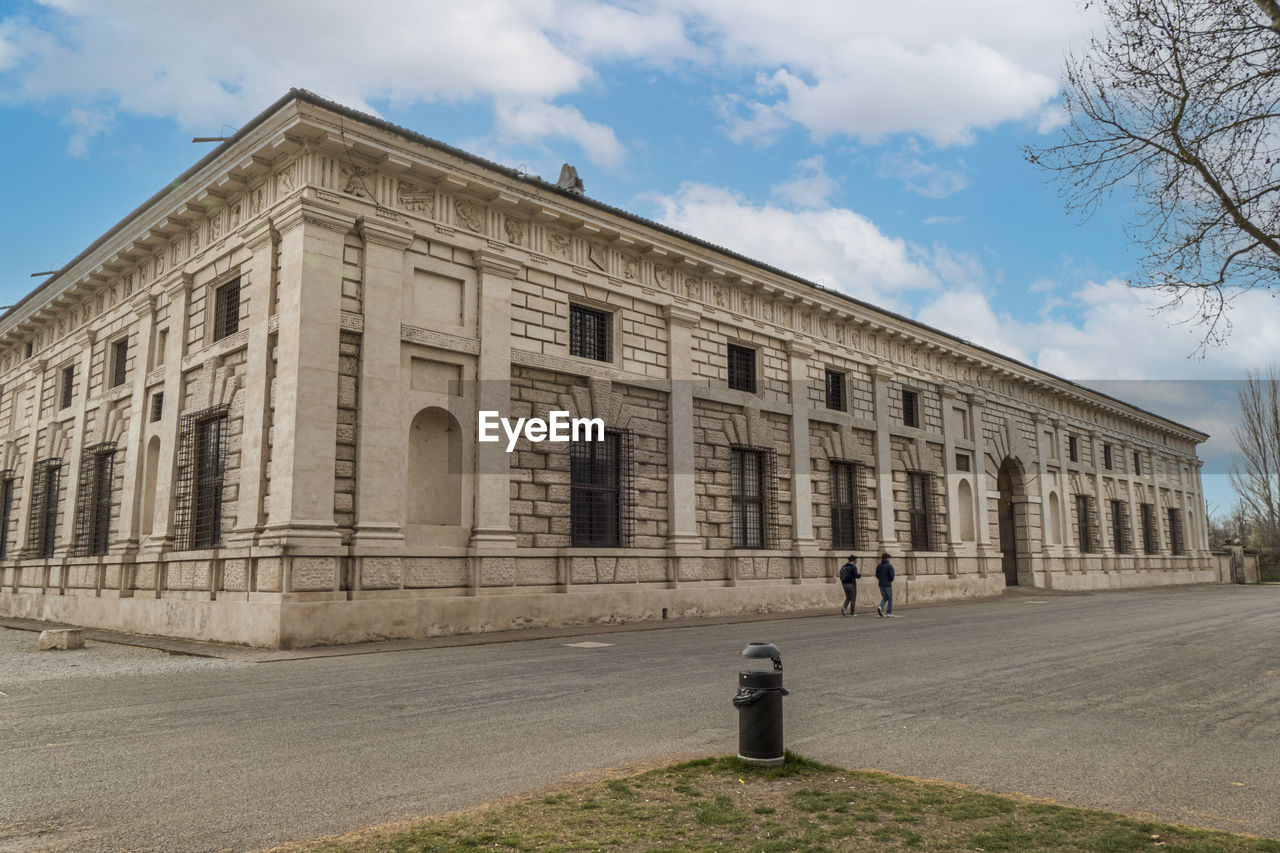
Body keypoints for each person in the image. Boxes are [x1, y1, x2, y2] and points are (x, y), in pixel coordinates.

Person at [875, 552, 895, 617]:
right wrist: (890, 580)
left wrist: (881, 579)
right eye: (889, 558)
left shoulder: (879, 566)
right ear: (887, 558)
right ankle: (889, 613)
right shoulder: (889, 566)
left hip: (880, 584)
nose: (890, 560)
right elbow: (892, 576)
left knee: (885, 597)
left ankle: (880, 607)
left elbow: (877, 575)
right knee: (890, 598)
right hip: (887, 584)